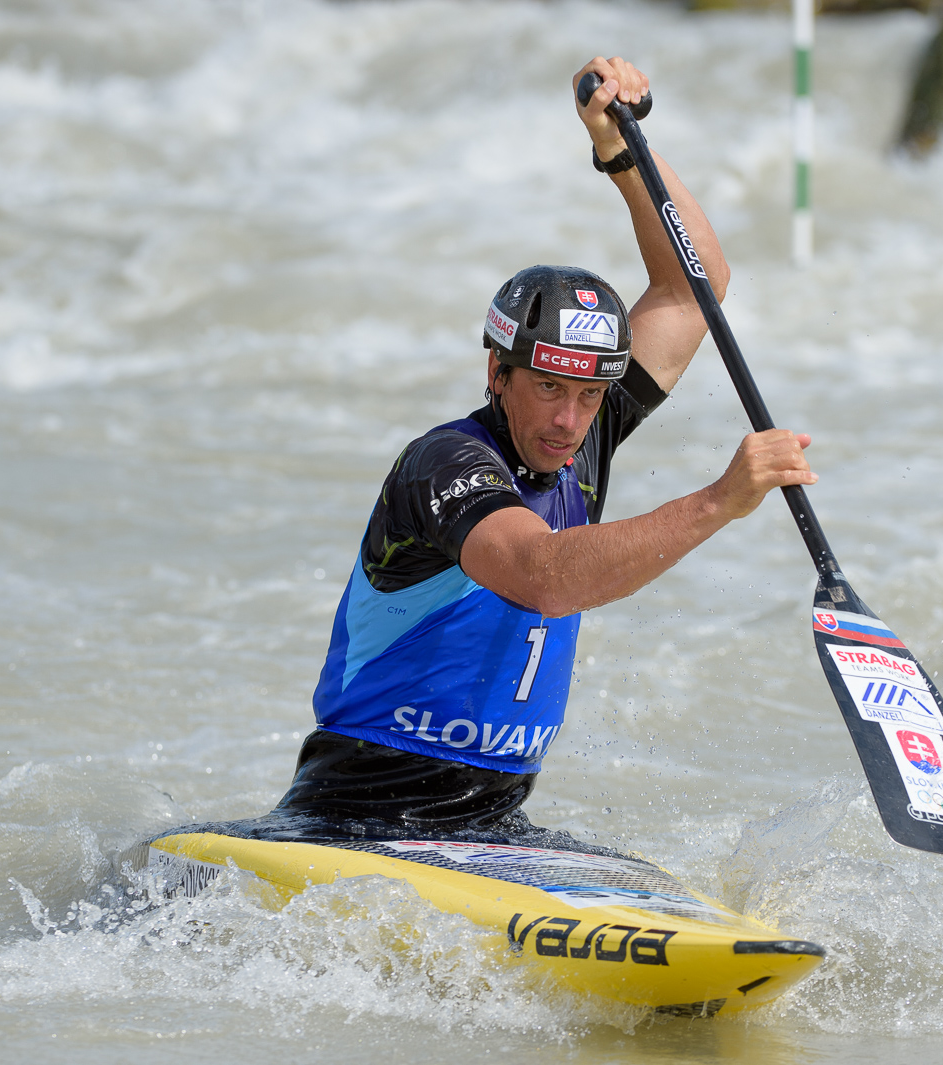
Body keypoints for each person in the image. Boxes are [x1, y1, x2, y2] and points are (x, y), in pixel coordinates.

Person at [274, 56, 817, 836]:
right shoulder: (444, 465)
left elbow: (695, 287)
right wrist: (717, 503)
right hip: (356, 812)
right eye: (550, 389)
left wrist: (620, 151)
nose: (570, 421)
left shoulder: (584, 438)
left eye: (591, 395)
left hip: (494, 825)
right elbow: (544, 576)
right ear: (498, 372)